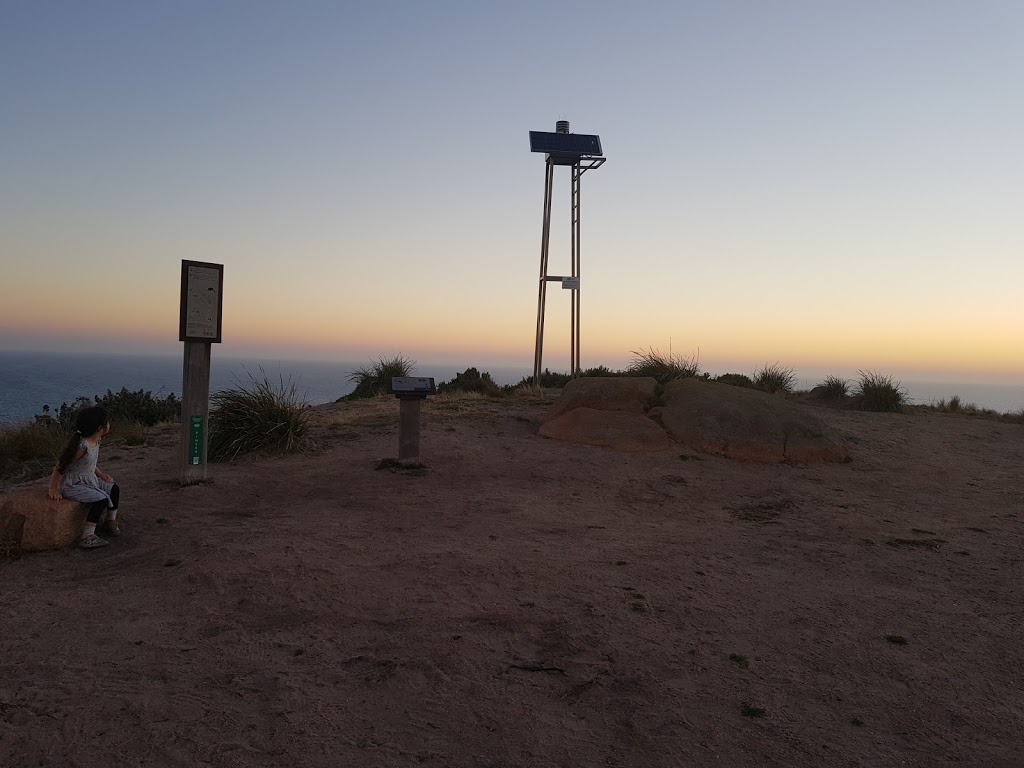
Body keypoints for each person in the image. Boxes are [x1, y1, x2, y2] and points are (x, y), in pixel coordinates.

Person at [47, 406, 122, 549]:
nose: (108, 425)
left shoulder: (96, 440)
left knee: (114, 489)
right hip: (73, 484)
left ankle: (110, 521)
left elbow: (90, 464)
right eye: (106, 422)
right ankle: (87, 536)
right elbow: (60, 466)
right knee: (101, 500)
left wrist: (101, 475)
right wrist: (53, 488)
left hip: (89, 480)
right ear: (100, 428)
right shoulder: (82, 446)